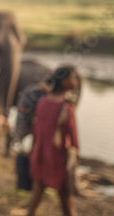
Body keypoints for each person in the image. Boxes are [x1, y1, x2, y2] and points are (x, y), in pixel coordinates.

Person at [27, 66, 80, 216]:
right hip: (58, 162)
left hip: (40, 157)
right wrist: (75, 164)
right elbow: (74, 140)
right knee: (68, 206)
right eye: (73, 78)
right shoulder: (66, 108)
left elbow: (36, 132)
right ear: (64, 81)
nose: (76, 81)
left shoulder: (42, 102)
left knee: (34, 201)